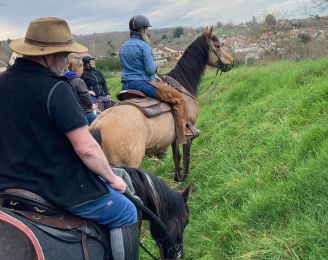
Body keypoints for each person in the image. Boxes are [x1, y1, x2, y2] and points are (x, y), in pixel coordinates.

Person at [0, 17, 139, 260]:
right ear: (47, 55)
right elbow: (86, 148)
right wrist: (112, 179)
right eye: (64, 53)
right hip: (57, 185)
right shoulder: (56, 88)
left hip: (7, 184)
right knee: (126, 212)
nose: (66, 59)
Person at [119, 15, 197, 144]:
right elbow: (150, 69)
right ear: (142, 30)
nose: (147, 32)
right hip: (142, 83)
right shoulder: (144, 46)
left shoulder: (123, 47)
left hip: (125, 86)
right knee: (177, 97)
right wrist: (155, 68)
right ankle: (183, 132)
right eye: (146, 29)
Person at [64, 59, 97, 124]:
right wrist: (92, 105)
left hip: (70, 111)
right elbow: (85, 98)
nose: (82, 71)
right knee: (98, 123)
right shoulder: (79, 81)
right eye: (82, 68)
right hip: (83, 111)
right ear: (78, 69)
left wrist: (87, 91)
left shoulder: (65, 80)